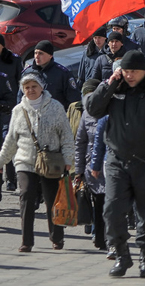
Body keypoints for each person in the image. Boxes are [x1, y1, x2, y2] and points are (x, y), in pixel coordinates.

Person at [86, 50, 145, 278]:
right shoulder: (116, 86)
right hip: (118, 159)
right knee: (112, 210)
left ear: (144, 71)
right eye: (126, 71)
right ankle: (121, 254)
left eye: (134, 72)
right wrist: (108, 84)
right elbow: (93, 109)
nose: (130, 76)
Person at [0, 72, 75, 252]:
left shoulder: (55, 107)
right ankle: (27, 241)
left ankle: (56, 237)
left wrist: (68, 159)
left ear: (42, 87)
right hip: (25, 161)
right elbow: (11, 138)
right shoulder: (18, 110)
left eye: (34, 86)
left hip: (51, 161)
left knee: (51, 199)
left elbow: (66, 135)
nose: (31, 90)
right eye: (27, 87)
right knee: (26, 195)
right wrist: (2, 160)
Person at [74, 79, 106, 251]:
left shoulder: (112, 110)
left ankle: (110, 236)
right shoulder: (86, 114)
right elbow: (80, 142)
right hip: (91, 168)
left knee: (111, 204)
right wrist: (78, 170)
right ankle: (99, 237)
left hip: (110, 165)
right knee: (98, 203)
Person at [20, 40, 81, 110]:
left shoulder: (62, 73)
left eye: (41, 53)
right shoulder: (27, 73)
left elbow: (73, 98)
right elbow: (20, 96)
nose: (37, 56)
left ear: (50, 56)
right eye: (35, 53)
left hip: (55, 115)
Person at [0, 34, 22, 193]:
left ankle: (11, 179)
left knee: (8, 141)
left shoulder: (14, 60)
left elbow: (21, 82)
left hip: (10, 107)